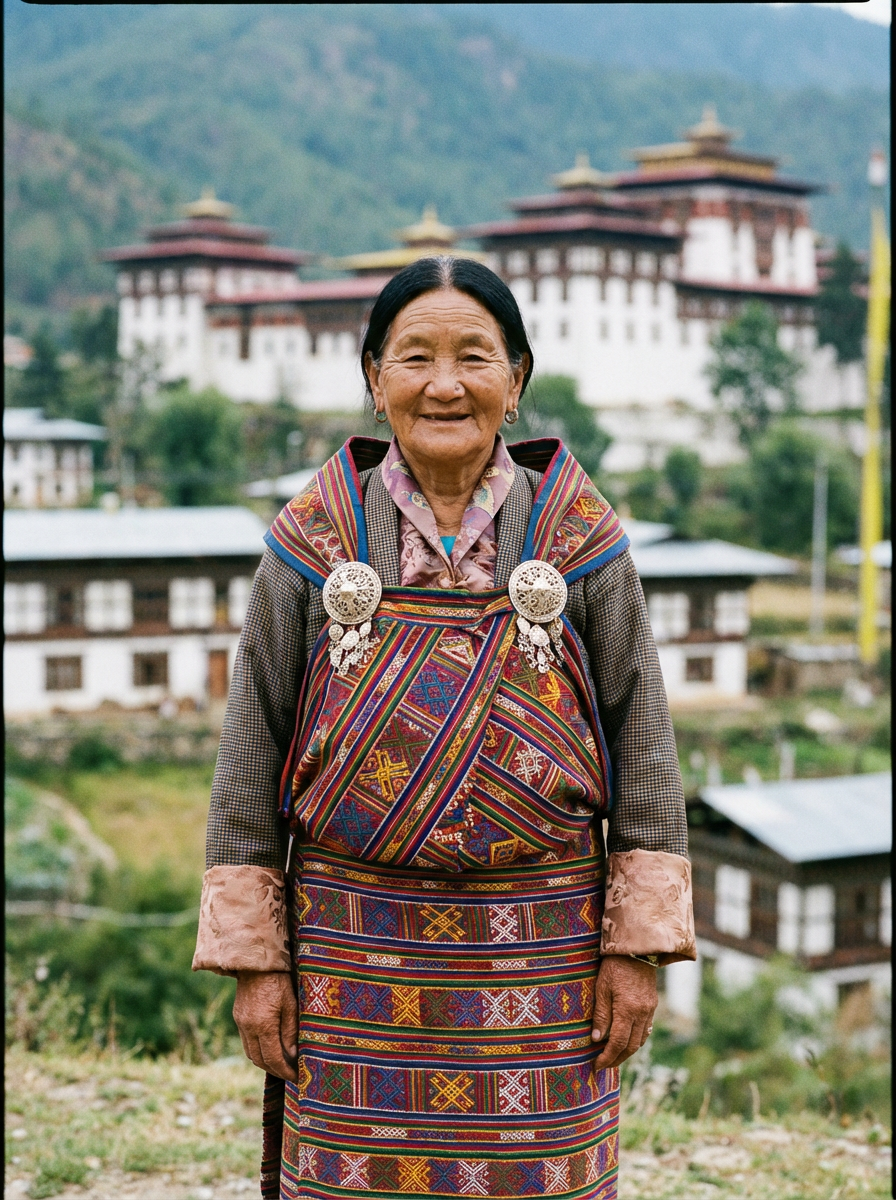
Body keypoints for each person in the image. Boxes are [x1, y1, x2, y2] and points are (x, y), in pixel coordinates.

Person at [193, 256, 695, 1200]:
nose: (445, 383)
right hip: (352, 951)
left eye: (475, 356)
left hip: (542, 948)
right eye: (415, 356)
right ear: (374, 380)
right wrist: (255, 963)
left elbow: (644, 743)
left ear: (517, 382)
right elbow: (251, 752)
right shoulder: (311, 543)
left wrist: (635, 948)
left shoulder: (582, 540)